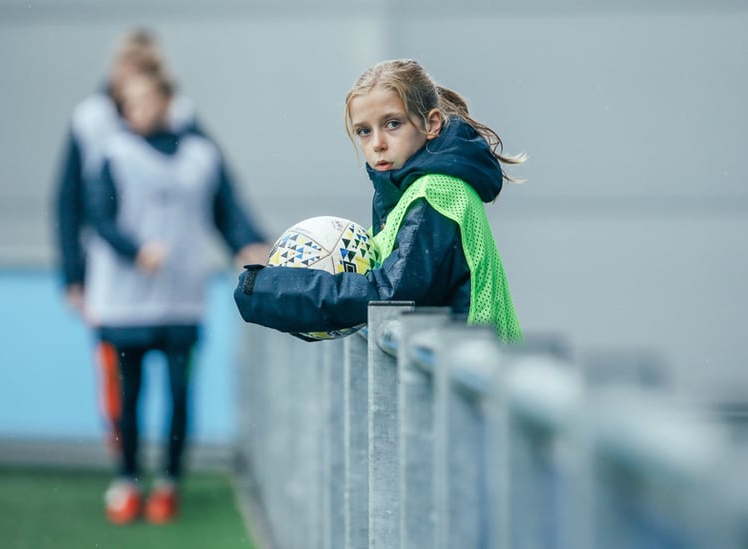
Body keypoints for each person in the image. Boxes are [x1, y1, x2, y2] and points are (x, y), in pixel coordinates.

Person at [84, 67, 269, 525]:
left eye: (147, 99)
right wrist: (135, 250)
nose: (139, 109)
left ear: (169, 101)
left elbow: (227, 212)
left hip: (183, 299)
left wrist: (248, 244)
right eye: (130, 102)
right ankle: (127, 481)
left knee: (178, 395)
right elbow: (99, 218)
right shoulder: (113, 153)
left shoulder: (201, 157)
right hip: (125, 303)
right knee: (128, 398)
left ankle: (169, 484)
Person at [234, 59, 523, 342]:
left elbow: (388, 296)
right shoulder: (404, 194)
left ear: (431, 123)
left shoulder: (437, 192)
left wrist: (271, 289)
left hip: (469, 378)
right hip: (450, 373)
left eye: (393, 124)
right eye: (364, 131)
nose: (377, 143)